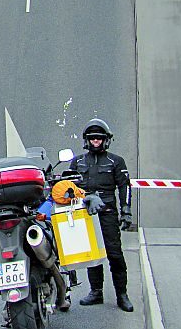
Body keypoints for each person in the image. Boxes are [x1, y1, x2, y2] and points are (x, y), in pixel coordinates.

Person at [69, 118, 134, 312]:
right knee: (92, 254)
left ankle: (122, 295)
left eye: (99, 138)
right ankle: (96, 292)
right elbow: (68, 186)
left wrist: (126, 211)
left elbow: (124, 186)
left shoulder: (116, 161)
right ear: (87, 140)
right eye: (92, 138)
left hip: (108, 214)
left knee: (115, 254)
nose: (95, 141)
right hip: (86, 213)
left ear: (106, 140)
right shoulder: (78, 161)